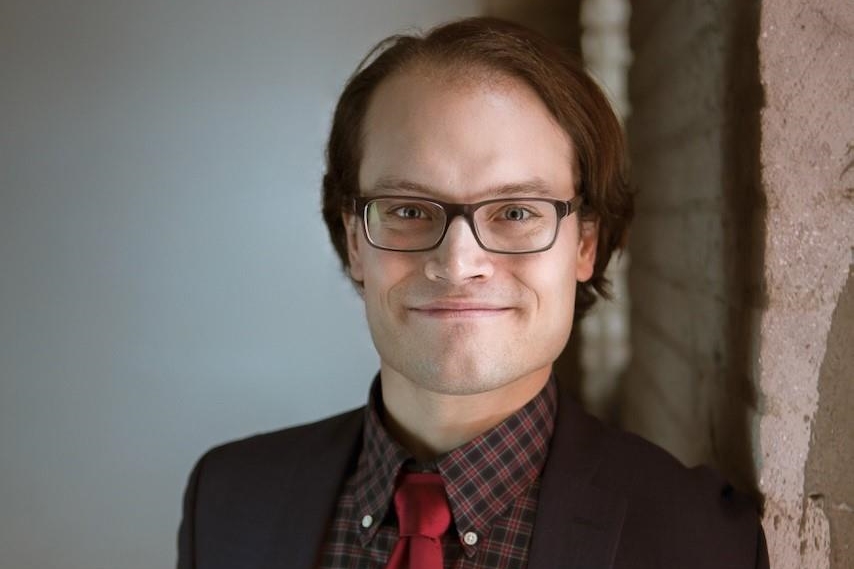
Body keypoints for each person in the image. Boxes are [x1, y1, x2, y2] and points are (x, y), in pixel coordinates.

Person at [177, 17, 768, 569]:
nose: (458, 265)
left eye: (516, 211)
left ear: (585, 244)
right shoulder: (225, 503)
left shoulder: (699, 543)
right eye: (408, 210)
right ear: (354, 240)